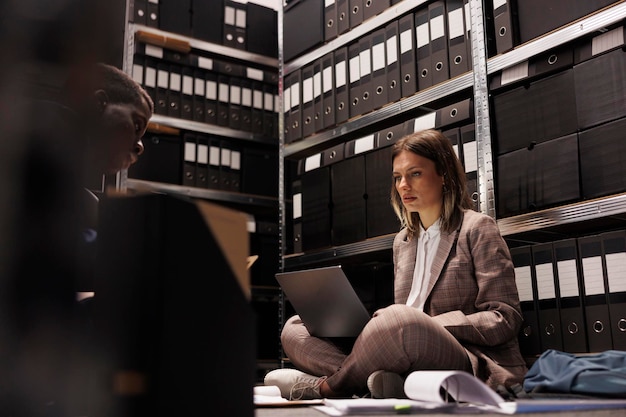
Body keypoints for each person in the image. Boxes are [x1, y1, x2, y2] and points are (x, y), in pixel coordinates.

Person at [265, 129, 528, 400]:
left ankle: (329, 387)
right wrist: (380, 330)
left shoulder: (477, 228)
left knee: (397, 319)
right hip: (403, 342)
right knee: (295, 328)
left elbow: (504, 317)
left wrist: (428, 324)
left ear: (444, 175)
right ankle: (377, 379)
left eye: (415, 173)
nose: (403, 185)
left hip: (462, 353)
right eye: (397, 177)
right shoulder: (403, 241)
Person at [4, 62, 153, 415]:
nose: (140, 146)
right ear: (97, 103)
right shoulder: (33, 143)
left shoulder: (75, 187)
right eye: (135, 124)